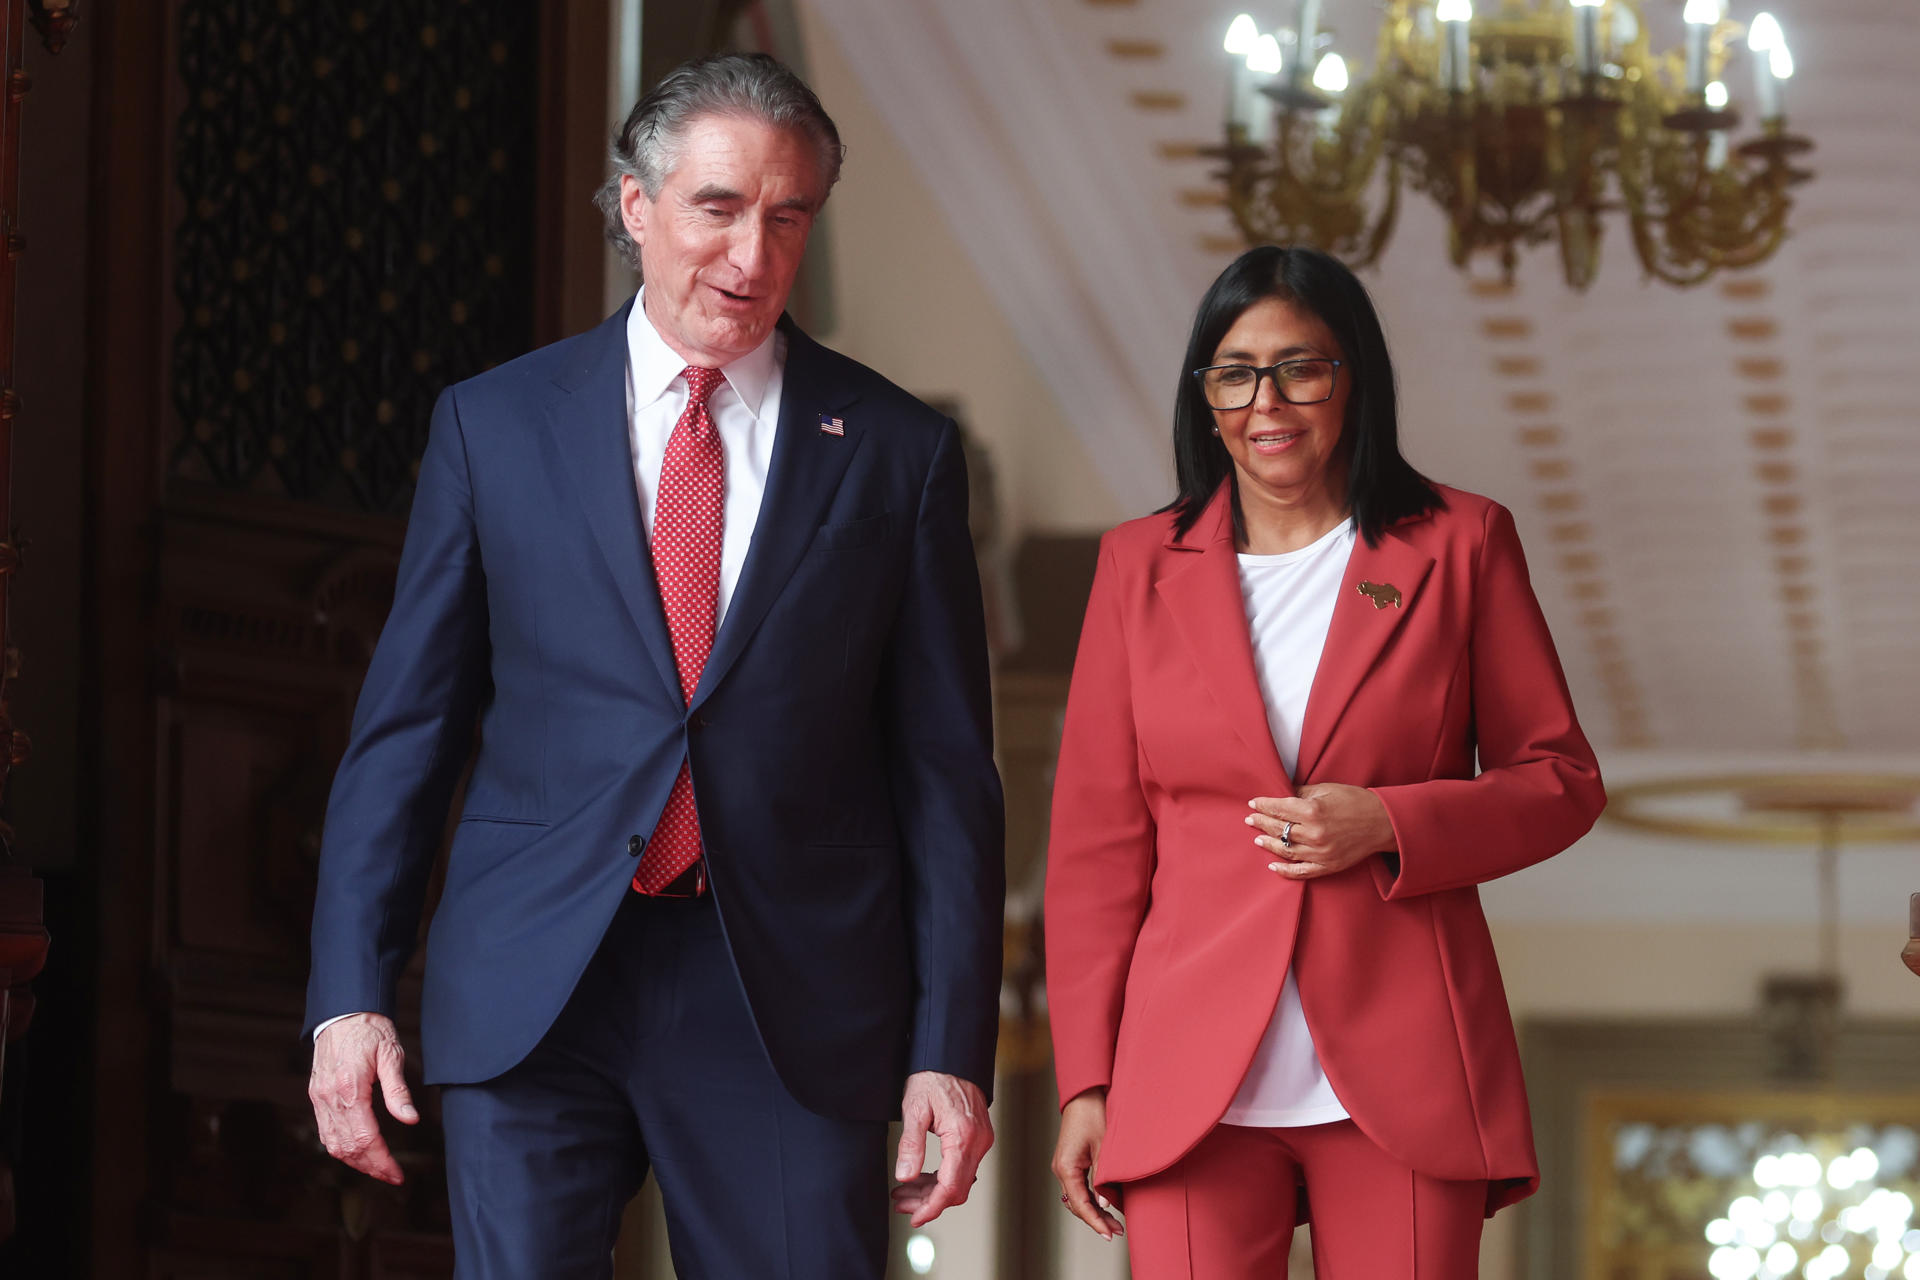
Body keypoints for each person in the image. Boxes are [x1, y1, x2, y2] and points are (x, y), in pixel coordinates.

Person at [302, 53, 1004, 1279]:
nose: (751, 256)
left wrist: (949, 1044)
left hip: (787, 998)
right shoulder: (493, 424)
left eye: (788, 217)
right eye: (718, 208)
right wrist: (347, 994)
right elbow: (407, 730)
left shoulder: (898, 452)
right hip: (536, 982)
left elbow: (946, 774)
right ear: (636, 206)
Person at [1044, 245, 1605, 1277]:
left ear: (1355, 379)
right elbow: (1094, 851)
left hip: (1404, 1064)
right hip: (1184, 1074)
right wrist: (1086, 1079)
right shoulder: (1136, 566)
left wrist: (1391, 823)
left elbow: (1561, 777)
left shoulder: (1463, 542)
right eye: (1236, 370)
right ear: (1206, 395)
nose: (1270, 399)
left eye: (1302, 366)